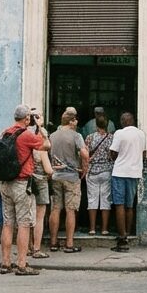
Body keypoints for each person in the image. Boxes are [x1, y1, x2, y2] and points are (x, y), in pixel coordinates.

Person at [0, 104, 47, 276]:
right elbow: (46, 145)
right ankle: (21, 264)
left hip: (5, 183)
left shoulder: (5, 133)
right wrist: (40, 127)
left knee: (8, 223)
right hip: (21, 183)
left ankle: (5, 263)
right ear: (27, 118)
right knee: (24, 224)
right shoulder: (26, 135)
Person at [47, 108, 89, 253]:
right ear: (71, 121)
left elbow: (47, 153)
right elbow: (84, 153)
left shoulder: (52, 136)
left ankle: (53, 242)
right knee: (71, 210)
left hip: (56, 176)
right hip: (71, 176)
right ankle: (69, 244)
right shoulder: (76, 136)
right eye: (75, 119)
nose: (77, 122)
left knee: (56, 209)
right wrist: (85, 167)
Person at [109, 111, 147, 252]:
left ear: (123, 121)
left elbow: (113, 152)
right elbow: (143, 154)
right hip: (134, 172)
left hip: (119, 172)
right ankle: (128, 234)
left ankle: (122, 238)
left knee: (119, 204)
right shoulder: (141, 134)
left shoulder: (119, 133)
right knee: (129, 205)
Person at [27, 110, 55, 259]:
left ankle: (26, 247)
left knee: (26, 216)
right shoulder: (39, 140)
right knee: (39, 216)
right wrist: (54, 170)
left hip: (27, 179)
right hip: (40, 180)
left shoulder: (24, 137)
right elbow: (48, 169)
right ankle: (36, 248)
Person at [84, 116, 115, 235]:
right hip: (106, 170)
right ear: (107, 125)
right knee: (105, 199)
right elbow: (113, 155)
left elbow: (85, 154)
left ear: (96, 125)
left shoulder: (90, 137)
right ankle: (104, 229)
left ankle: (92, 228)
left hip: (92, 171)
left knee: (92, 199)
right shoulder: (111, 138)